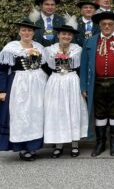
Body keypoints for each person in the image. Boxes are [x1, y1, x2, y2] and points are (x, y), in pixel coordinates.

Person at [80, 12, 114, 157]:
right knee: (100, 113)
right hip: (96, 83)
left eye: (110, 24)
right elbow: (84, 66)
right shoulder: (90, 42)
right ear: (100, 25)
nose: (107, 27)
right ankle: (100, 143)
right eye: (104, 24)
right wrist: (83, 86)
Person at [0, 18, 48, 161]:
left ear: (33, 33)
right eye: (24, 30)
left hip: (38, 84)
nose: (26, 33)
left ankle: (33, 147)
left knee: (36, 114)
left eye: (29, 30)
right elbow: (2, 71)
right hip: (19, 84)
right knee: (21, 114)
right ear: (19, 32)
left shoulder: (40, 47)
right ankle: (22, 147)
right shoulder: (11, 48)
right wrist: (2, 90)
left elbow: (46, 67)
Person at [43, 20, 89, 158]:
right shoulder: (50, 49)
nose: (66, 37)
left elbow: (81, 66)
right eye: (63, 34)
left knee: (73, 109)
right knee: (57, 110)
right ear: (58, 35)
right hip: (56, 80)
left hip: (71, 79)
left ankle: (75, 144)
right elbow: (46, 66)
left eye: (69, 35)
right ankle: (58, 145)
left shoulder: (77, 49)